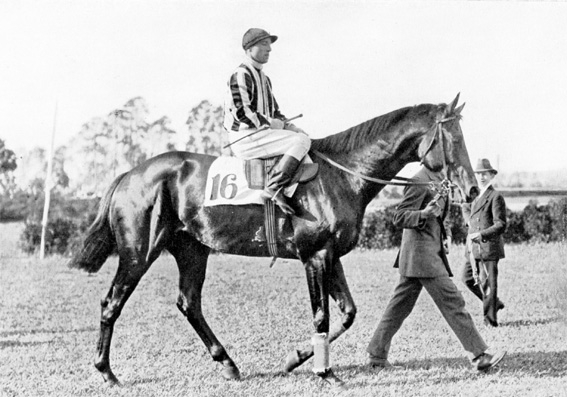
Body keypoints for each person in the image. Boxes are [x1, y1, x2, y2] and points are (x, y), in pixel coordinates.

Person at [366, 166, 506, 372]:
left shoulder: (439, 177)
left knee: (398, 308)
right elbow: (400, 216)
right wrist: (423, 213)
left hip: (424, 255)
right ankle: (479, 356)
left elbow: (440, 216)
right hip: (423, 256)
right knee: (453, 302)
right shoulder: (419, 180)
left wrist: (445, 235)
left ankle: (377, 356)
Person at [223, 28, 311, 215]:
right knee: (301, 142)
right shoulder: (241, 74)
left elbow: (275, 112)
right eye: (263, 44)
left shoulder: (265, 79)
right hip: (245, 136)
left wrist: (291, 126)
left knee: (301, 137)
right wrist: (271, 123)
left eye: (269, 44)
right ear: (248, 50)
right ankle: (274, 187)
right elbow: (242, 112)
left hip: (260, 134)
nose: (269, 49)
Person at [460, 158, 507, 327]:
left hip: (488, 246)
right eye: (478, 174)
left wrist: (481, 234)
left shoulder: (495, 196)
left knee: (489, 283)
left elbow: (500, 224)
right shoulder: (474, 195)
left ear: (491, 176)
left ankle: (490, 320)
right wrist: (467, 217)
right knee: (466, 278)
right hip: (473, 249)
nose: (481, 177)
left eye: (484, 174)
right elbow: (467, 210)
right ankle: (494, 302)